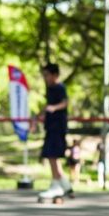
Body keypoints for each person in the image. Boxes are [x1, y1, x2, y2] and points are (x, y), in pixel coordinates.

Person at [37, 63, 73, 200]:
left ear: (55, 75)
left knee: (53, 156)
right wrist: (41, 115)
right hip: (50, 127)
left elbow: (65, 102)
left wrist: (54, 108)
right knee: (51, 157)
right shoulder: (50, 89)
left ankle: (57, 186)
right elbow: (47, 106)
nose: (45, 78)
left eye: (47, 75)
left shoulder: (59, 87)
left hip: (58, 128)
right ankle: (65, 186)